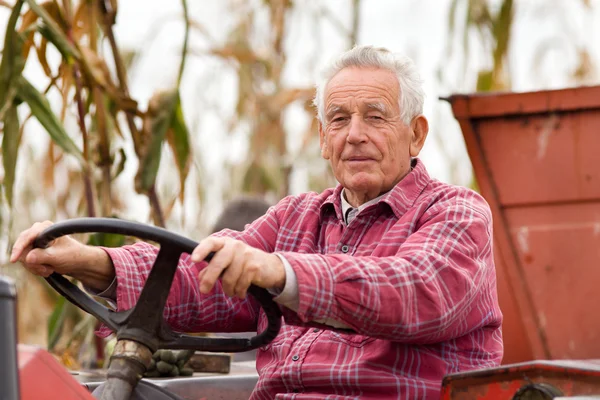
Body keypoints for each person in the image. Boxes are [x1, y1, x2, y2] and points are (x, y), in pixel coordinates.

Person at [11, 45, 503, 399]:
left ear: (415, 135)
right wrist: (95, 262)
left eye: (375, 117)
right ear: (321, 137)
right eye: (338, 119)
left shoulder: (456, 213)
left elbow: (416, 292)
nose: (354, 135)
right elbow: (197, 274)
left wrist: (281, 273)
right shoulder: (296, 217)